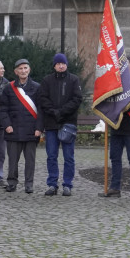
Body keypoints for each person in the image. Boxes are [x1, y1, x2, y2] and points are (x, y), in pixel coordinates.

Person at [36, 53, 82, 196]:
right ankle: (52, 184)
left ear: (66, 65)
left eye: (63, 63)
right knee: (51, 155)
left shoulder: (74, 80)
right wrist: (53, 112)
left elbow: (76, 99)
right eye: (58, 64)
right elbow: (43, 99)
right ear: (54, 65)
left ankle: (67, 184)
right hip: (51, 124)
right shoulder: (47, 80)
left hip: (68, 123)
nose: (61, 66)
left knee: (69, 156)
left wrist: (61, 112)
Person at [104, 54, 130, 200]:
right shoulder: (116, 82)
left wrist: (119, 107)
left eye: (126, 66)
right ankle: (115, 187)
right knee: (115, 158)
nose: (122, 68)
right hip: (116, 126)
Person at [0, 58, 41, 193]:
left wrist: (39, 128)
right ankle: (12, 182)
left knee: (30, 161)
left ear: (29, 70)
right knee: (12, 161)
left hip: (31, 130)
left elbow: (41, 110)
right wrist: (7, 125)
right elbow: (3, 109)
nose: (23, 71)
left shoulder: (37, 87)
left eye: (25, 68)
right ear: (16, 72)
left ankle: (29, 184)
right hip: (13, 129)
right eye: (20, 69)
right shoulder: (9, 88)